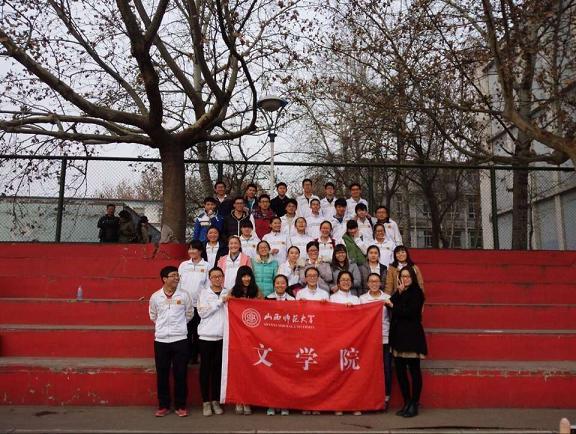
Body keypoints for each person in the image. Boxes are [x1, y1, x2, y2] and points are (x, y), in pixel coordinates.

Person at [149, 266, 193, 417]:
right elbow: (153, 315)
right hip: (161, 341)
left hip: (180, 339)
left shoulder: (184, 295)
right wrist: (163, 328)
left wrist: (178, 327)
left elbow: (189, 314)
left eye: (177, 275)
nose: (176, 278)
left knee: (181, 373)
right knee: (162, 374)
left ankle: (181, 405)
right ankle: (163, 405)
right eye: (173, 275)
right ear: (164, 279)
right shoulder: (156, 297)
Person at [389, 266, 427, 418]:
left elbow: (410, 313)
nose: (405, 279)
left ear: (413, 277)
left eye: (407, 276)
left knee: (414, 371)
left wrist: (394, 306)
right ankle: (406, 402)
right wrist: (398, 293)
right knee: (400, 371)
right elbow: (389, 303)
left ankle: (414, 403)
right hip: (398, 336)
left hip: (412, 336)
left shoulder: (417, 293)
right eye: (402, 276)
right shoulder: (400, 291)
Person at [228, 266, 260, 416]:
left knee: (250, 371)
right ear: (239, 278)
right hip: (237, 336)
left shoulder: (257, 292)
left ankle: (247, 400)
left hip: (253, 337)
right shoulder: (233, 292)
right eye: (243, 276)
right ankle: (238, 400)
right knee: (239, 370)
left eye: (248, 276)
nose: (246, 279)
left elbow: (264, 310)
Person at [360, 273, 394, 412]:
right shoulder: (362, 299)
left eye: (376, 281)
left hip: (385, 338)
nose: (374, 283)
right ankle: (368, 397)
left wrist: (391, 305)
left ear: (380, 283)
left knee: (386, 368)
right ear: (367, 283)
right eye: (371, 281)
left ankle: (385, 397)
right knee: (368, 369)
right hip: (368, 339)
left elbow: (395, 316)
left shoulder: (387, 297)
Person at [197, 267, 228, 417]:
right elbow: (203, 313)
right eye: (214, 276)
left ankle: (215, 400)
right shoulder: (203, 293)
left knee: (217, 371)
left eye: (219, 276)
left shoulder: (228, 292)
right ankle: (205, 402)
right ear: (209, 278)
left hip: (222, 337)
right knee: (205, 370)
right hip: (206, 337)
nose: (217, 279)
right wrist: (220, 301)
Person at [265, 274, 293, 416]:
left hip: (287, 343)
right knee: (271, 376)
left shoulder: (293, 300)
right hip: (271, 342)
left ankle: (284, 404)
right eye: (277, 283)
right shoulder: (267, 299)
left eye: (283, 283)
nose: (280, 285)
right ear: (274, 284)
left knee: (285, 375)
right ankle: (271, 404)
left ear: (286, 285)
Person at [178, 240, 209, 364]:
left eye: (194, 249)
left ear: (200, 251)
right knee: (186, 331)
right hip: (184, 305)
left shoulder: (206, 266)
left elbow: (208, 286)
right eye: (190, 249)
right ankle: (186, 355)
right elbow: (178, 283)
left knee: (197, 332)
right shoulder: (183, 265)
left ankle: (195, 356)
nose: (191, 251)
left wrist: (204, 303)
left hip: (199, 305)